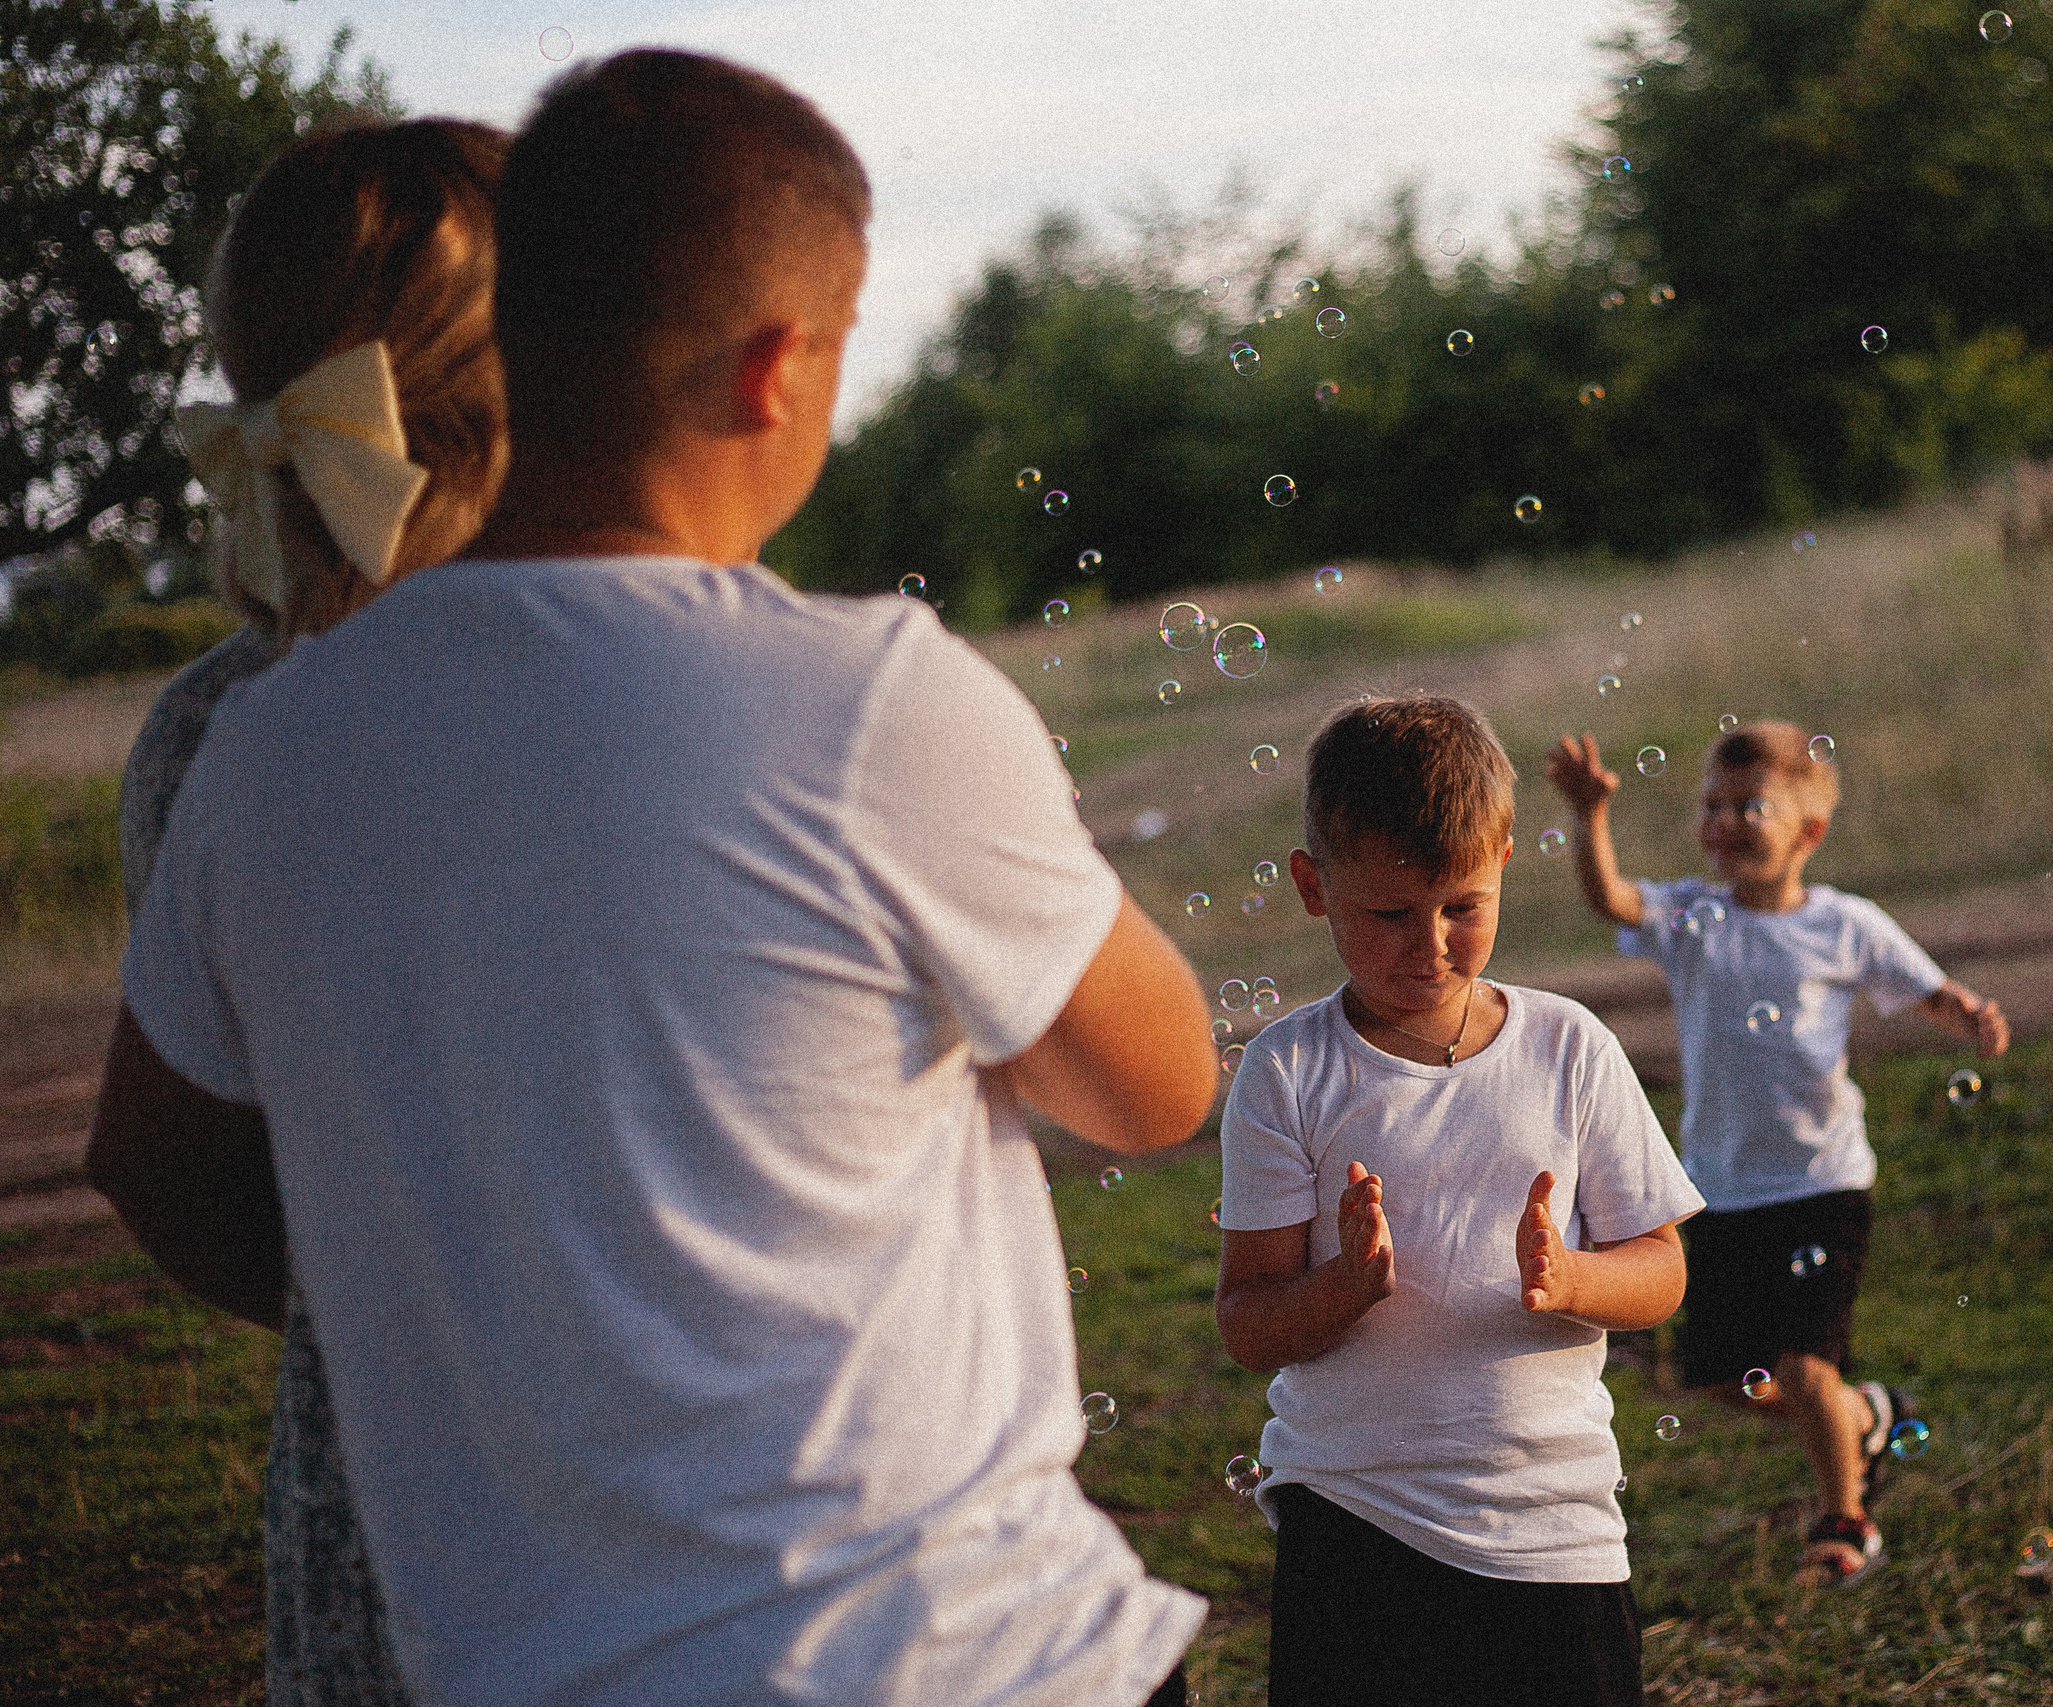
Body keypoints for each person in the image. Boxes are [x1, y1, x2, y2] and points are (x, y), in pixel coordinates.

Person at [90, 48, 1217, 1707]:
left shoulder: (259, 750)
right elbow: (1160, 1083)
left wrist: (463, 1297)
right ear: (776, 369)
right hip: (958, 1659)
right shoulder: (868, 697)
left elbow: (157, 1159)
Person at [116, 115, 513, 1707]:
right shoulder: (614, 691)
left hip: (375, 1499)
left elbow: (179, 1164)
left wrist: (374, 1288)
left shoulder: (204, 728)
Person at [1217, 695, 1705, 1707]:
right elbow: (1249, 1323)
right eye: (1389, 914)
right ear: (1314, 887)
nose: (1430, 945)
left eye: (1462, 906)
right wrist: (1344, 1288)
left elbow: (1661, 1270)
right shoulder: (1287, 1071)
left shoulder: (1569, 1049)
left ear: (1504, 865)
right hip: (1352, 1521)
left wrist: (1573, 1277)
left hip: (1549, 1526)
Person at [1544, 720, 2009, 1587]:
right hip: (1718, 1190)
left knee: (1802, 1363)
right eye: (1711, 805)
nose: (1723, 821)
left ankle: (1845, 1520)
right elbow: (1611, 897)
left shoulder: (1845, 924)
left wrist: (1971, 1012)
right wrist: (1588, 816)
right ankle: (1863, 1415)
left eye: (1749, 805)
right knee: (1723, 1378)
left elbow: (1925, 985)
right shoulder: (1693, 915)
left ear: (1809, 832)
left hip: (1822, 1183)